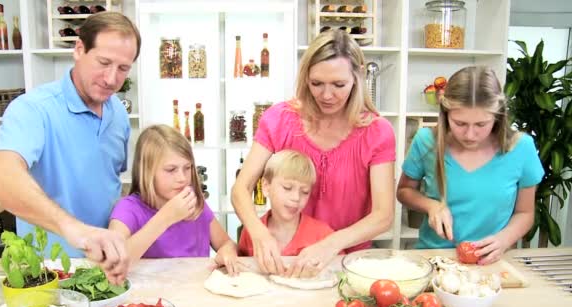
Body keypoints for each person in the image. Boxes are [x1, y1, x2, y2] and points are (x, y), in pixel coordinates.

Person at [0, 12, 141, 284]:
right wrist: (75, 230)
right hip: (47, 270)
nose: (112, 78)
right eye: (103, 62)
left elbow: (109, 186)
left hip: (104, 271)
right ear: (79, 50)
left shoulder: (119, 114)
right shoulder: (34, 109)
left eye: (123, 68)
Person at [231, 30, 396, 278]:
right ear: (305, 78)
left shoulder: (377, 132)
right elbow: (240, 189)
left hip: (345, 263)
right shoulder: (279, 120)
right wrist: (259, 232)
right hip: (284, 260)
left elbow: (383, 216)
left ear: (357, 77)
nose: (327, 96)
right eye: (316, 83)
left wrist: (330, 244)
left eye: (338, 85)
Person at [397, 66, 544, 265]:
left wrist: (504, 240)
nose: (470, 135)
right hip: (434, 258)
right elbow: (404, 191)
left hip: (491, 260)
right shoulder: (426, 141)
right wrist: (431, 205)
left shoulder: (521, 148)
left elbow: (525, 213)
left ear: (498, 115)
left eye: (481, 125)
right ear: (446, 113)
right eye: (460, 123)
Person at [108, 125, 242, 275]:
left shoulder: (196, 204)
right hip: (149, 296)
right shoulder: (128, 209)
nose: (182, 178)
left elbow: (226, 243)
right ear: (146, 171)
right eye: (171, 170)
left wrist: (227, 252)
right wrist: (165, 218)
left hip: (194, 291)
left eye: (187, 168)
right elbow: (114, 263)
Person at [238, 150, 338, 257]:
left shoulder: (323, 234)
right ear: (266, 186)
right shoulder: (250, 233)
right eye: (287, 188)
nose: (296, 198)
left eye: (305, 192)